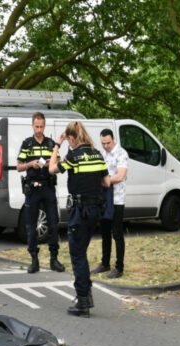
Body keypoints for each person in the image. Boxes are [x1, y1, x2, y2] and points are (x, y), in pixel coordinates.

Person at [49, 121, 110, 317]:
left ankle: (83, 301)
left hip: (80, 210)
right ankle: (87, 295)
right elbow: (107, 182)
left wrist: (57, 146)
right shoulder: (97, 154)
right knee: (81, 251)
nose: (69, 143)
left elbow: (52, 168)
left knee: (77, 255)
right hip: (95, 211)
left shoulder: (73, 156)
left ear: (73, 138)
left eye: (69, 140)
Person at [17, 112, 65, 274]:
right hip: (32, 188)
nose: (39, 129)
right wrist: (30, 164)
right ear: (32, 125)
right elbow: (18, 166)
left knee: (53, 223)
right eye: (36, 126)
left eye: (41, 127)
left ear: (45, 126)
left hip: (48, 187)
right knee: (31, 226)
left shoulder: (51, 143)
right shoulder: (27, 144)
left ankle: (54, 259)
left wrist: (48, 165)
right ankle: (34, 260)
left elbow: (58, 163)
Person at [92, 128, 129, 278]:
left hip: (117, 200)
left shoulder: (121, 154)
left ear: (113, 139)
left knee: (117, 234)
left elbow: (120, 176)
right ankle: (105, 263)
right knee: (105, 233)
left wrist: (104, 180)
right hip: (104, 199)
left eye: (107, 143)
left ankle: (119, 267)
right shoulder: (103, 154)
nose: (105, 146)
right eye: (103, 143)